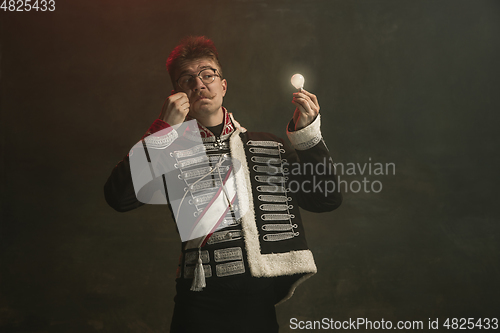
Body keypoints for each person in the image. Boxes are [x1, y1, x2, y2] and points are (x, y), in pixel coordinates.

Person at [104, 36, 342, 333]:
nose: (199, 84)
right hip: (198, 300)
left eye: (207, 75)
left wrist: (307, 136)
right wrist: (162, 132)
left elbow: (325, 199)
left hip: (257, 300)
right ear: (177, 94)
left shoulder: (270, 145)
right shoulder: (169, 150)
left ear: (223, 85)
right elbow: (119, 197)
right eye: (187, 79)